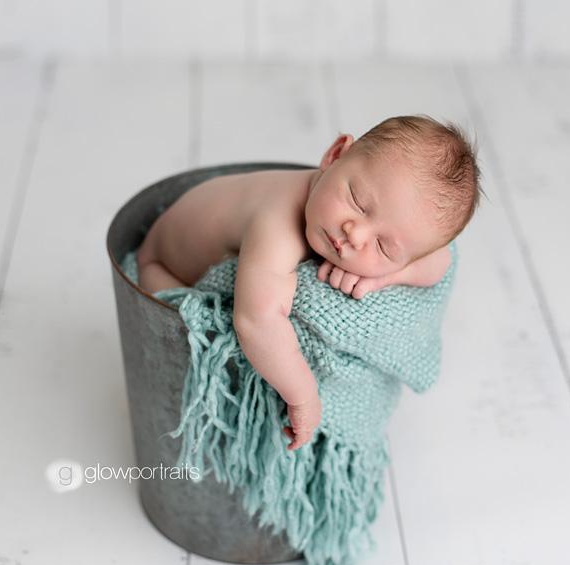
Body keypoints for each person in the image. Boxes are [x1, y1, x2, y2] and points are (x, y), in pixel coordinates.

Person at [137, 115, 481, 451]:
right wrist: (303, 397)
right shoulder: (278, 221)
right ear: (334, 157)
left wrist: (390, 274)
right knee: (180, 324)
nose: (356, 234)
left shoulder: (362, 231)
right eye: (358, 202)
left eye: (383, 246)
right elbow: (256, 320)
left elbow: (440, 261)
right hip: (161, 264)